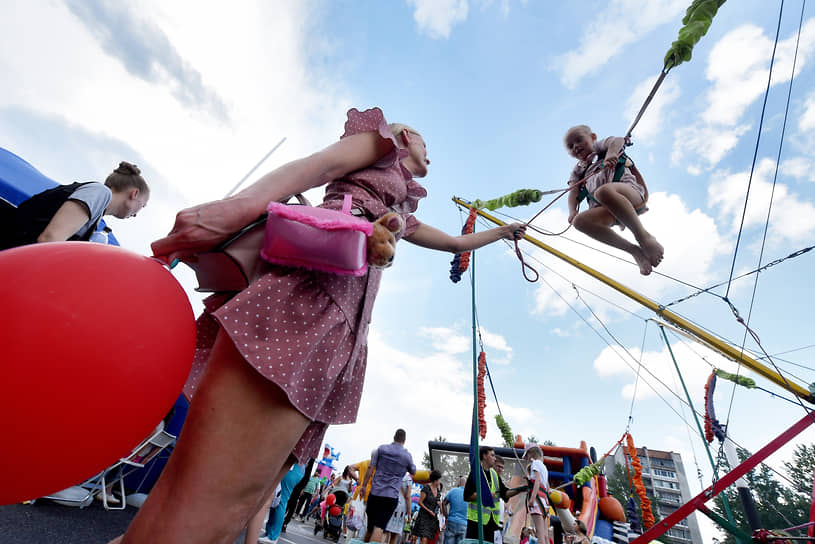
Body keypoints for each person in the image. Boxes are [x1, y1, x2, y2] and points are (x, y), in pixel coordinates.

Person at [113, 107, 524, 544]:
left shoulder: (404, 208)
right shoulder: (382, 143)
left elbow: (456, 243)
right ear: (405, 136)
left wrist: (503, 232)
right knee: (213, 495)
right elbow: (314, 169)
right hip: (303, 301)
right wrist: (230, 212)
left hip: (340, 334)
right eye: (425, 141)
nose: (429, 151)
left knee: (242, 497)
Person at [563, 125, 663, 276]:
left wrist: (611, 153)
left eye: (579, 140)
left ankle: (643, 237)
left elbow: (617, 141)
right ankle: (633, 250)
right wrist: (572, 210)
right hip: (608, 211)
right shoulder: (578, 171)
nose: (575, 146)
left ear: (593, 137)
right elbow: (573, 192)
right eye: (570, 146)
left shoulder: (599, 147)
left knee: (603, 191)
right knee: (579, 222)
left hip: (629, 194)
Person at [0, 161, 150, 249]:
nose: (136, 214)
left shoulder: (96, 214)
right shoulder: (100, 192)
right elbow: (49, 239)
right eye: (142, 206)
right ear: (134, 193)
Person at [361, 428, 418, 543]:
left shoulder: (381, 449)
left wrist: (363, 485)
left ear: (394, 437)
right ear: (404, 440)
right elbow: (413, 471)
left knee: (370, 527)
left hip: (375, 493)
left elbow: (370, 468)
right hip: (390, 496)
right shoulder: (406, 455)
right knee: (379, 527)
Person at [464, 446, 524, 544]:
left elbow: (505, 493)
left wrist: (520, 489)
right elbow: (467, 496)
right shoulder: (475, 473)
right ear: (484, 456)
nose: (495, 458)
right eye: (492, 455)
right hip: (476, 522)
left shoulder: (494, 474)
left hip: (491, 524)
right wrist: (484, 495)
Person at [523, 446, 550, 544]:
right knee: (545, 535)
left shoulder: (535, 463)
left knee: (539, 534)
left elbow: (537, 480)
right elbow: (547, 486)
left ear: (531, 454)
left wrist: (532, 499)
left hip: (537, 501)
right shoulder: (544, 467)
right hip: (544, 502)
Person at [412, 470, 442, 544]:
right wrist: (429, 511)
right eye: (439, 480)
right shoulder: (426, 488)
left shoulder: (438, 491)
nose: (439, 482)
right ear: (435, 480)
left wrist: (440, 505)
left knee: (427, 539)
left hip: (432, 519)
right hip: (424, 516)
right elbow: (420, 502)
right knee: (424, 538)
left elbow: (438, 504)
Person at [386, 472, 414, 544]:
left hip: (389, 504)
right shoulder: (408, 479)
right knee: (394, 534)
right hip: (400, 508)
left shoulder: (392, 475)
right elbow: (408, 497)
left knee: (385, 532)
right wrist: (409, 513)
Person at [442, 476, 467, 544]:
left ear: (459, 482)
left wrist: (446, 516)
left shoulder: (453, 491)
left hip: (451, 521)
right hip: (464, 524)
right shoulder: (469, 495)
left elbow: (444, 503)